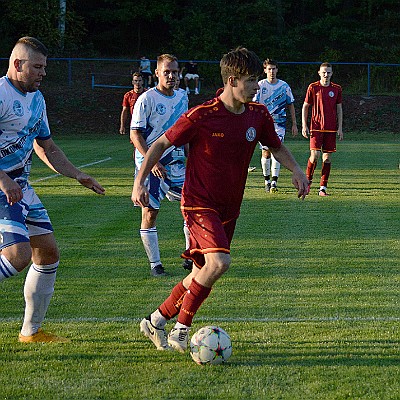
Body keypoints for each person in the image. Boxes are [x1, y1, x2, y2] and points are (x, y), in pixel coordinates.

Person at [132, 47, 309, 352]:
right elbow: (160, 143)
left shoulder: (258, 114)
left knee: (203, 271)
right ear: (232, 80)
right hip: (199, 202)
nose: (257, 87)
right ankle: (181, 330)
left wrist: (297, 170)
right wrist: (139, 181)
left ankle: (155, 320)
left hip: (230, 208)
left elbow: (276, 146)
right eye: (252, 81)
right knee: (220, 262)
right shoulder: (203, 116)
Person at [0, 37, 105, 343]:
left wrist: (77, 174)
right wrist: (4, 180)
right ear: (18, 64)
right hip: (3, 186)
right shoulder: (1, 94)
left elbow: (47, 147)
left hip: (20, 187)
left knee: (47, 254)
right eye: (37, 67)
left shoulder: (37, 99)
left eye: (44, 67)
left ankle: (30, 332)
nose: (43, 73)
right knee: (17, 255)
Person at [130, 54, 190, 277]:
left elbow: (185, 131)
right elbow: (135, 134)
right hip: (151, 165)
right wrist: (151, 160)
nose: (172, 76)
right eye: (167, 72)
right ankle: (155, 264)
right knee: (150, 213)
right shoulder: (146, 99)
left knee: (190, 208)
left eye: (175, 72)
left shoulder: (183, 97)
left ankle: (190, 256)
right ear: (156, 73)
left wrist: (190, 157)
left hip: (176, 163)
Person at [254, 59, 298, 193]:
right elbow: (254, 105)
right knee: (266, 152)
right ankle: (266, 180)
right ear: (265, 70)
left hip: (279, 124)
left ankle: (274, 182)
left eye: (274, 69)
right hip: (264, 124)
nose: (271, 71)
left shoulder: (284, 86)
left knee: (277, 150)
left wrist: (295, 124)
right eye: (269, 69)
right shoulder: (260, 86)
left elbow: (290, 104)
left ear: (277, 70)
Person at [302, 62, 343, 196]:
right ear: (319, 73)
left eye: (329, 72)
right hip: (316, 128)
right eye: (324, 72)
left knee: (327, 159)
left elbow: (339, 109)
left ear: (332, 73)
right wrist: (304, 125)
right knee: (314, 156)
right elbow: (305, 106)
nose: (326, 74)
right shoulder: (313, 87)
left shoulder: (336, 88)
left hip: (331, 129)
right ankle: (307, 183)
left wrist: (340, 127)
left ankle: (323, 188)